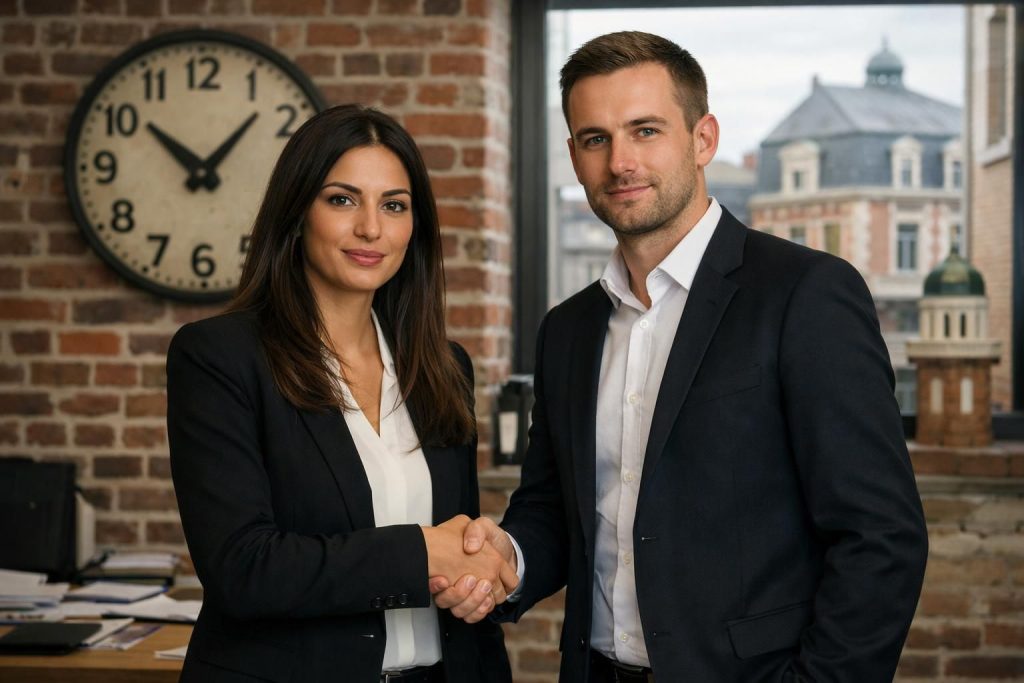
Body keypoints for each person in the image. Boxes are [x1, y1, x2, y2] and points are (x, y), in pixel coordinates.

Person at [433, 31, 929, 682]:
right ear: (574, 156)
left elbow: (881, 539)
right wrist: (510, 555)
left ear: (703, 139)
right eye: (595, 139)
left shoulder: (805, 295)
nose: (620, 163)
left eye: (645, 131)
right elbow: (554, 509)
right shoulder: (568, 330)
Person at [167, 104, 516, 683]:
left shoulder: (443, 367)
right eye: (342, 199)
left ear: (415, 227)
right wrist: (425, 551)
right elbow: (244, 569)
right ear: (297, 212)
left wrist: (476, 578)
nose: (371, 229)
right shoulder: (220, 357)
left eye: (394, 206)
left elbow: (457, 546)